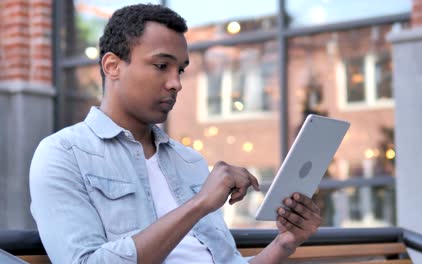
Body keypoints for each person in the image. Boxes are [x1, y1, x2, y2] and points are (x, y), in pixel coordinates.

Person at [29, 4, 322, 264]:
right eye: (161, 66)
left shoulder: (188, 160)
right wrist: (199, 205)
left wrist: (284, 243)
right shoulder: (63, 154)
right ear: (112, 66)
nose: (176, 83)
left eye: (180, 70)